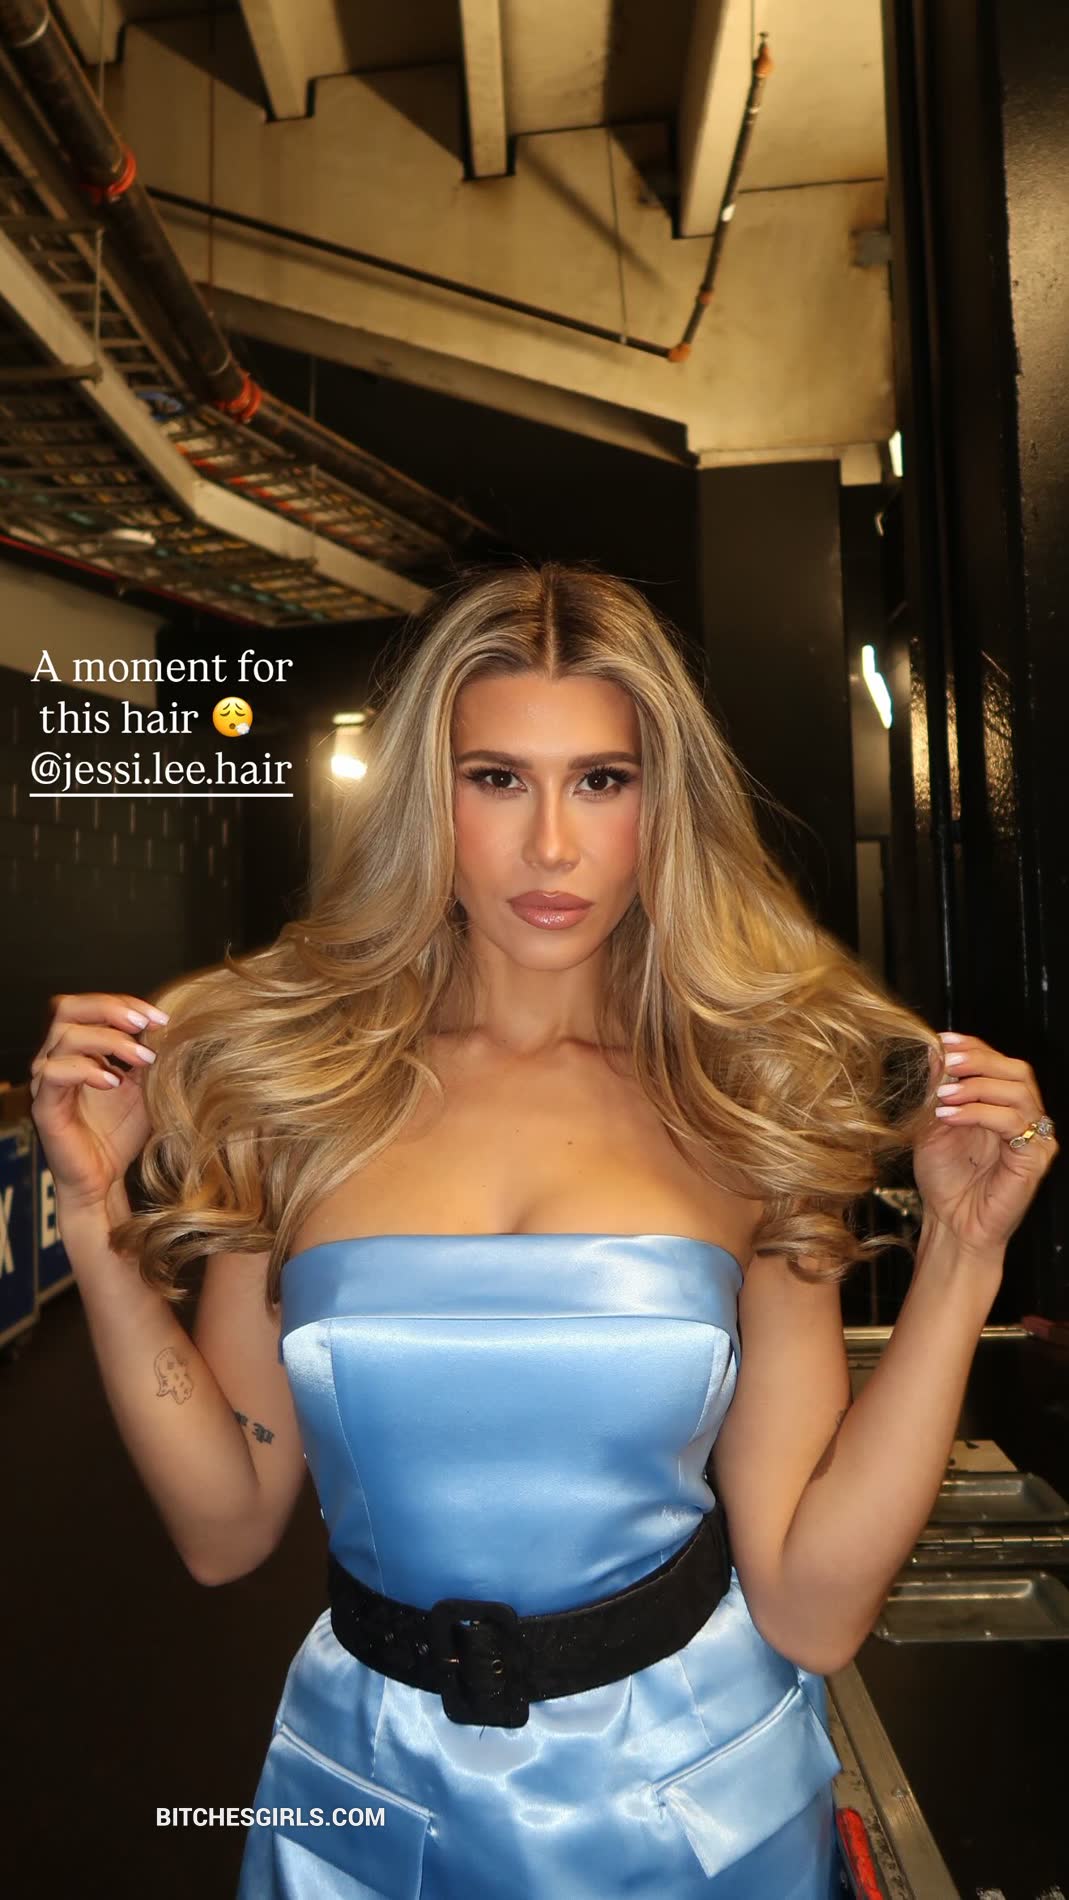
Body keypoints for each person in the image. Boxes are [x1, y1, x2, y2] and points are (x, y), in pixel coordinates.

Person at [30, 563, 1056, 1898]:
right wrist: (93, 1216)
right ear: (428, 797)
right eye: (498, 779)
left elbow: (811, 1607)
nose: (553, 847)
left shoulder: (745, 1102)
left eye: (602, 781)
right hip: (367, 1797)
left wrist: (963, 1258)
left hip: (690, 1812)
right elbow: (225, 1528)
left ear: (662, 804)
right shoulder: (298, 1093)